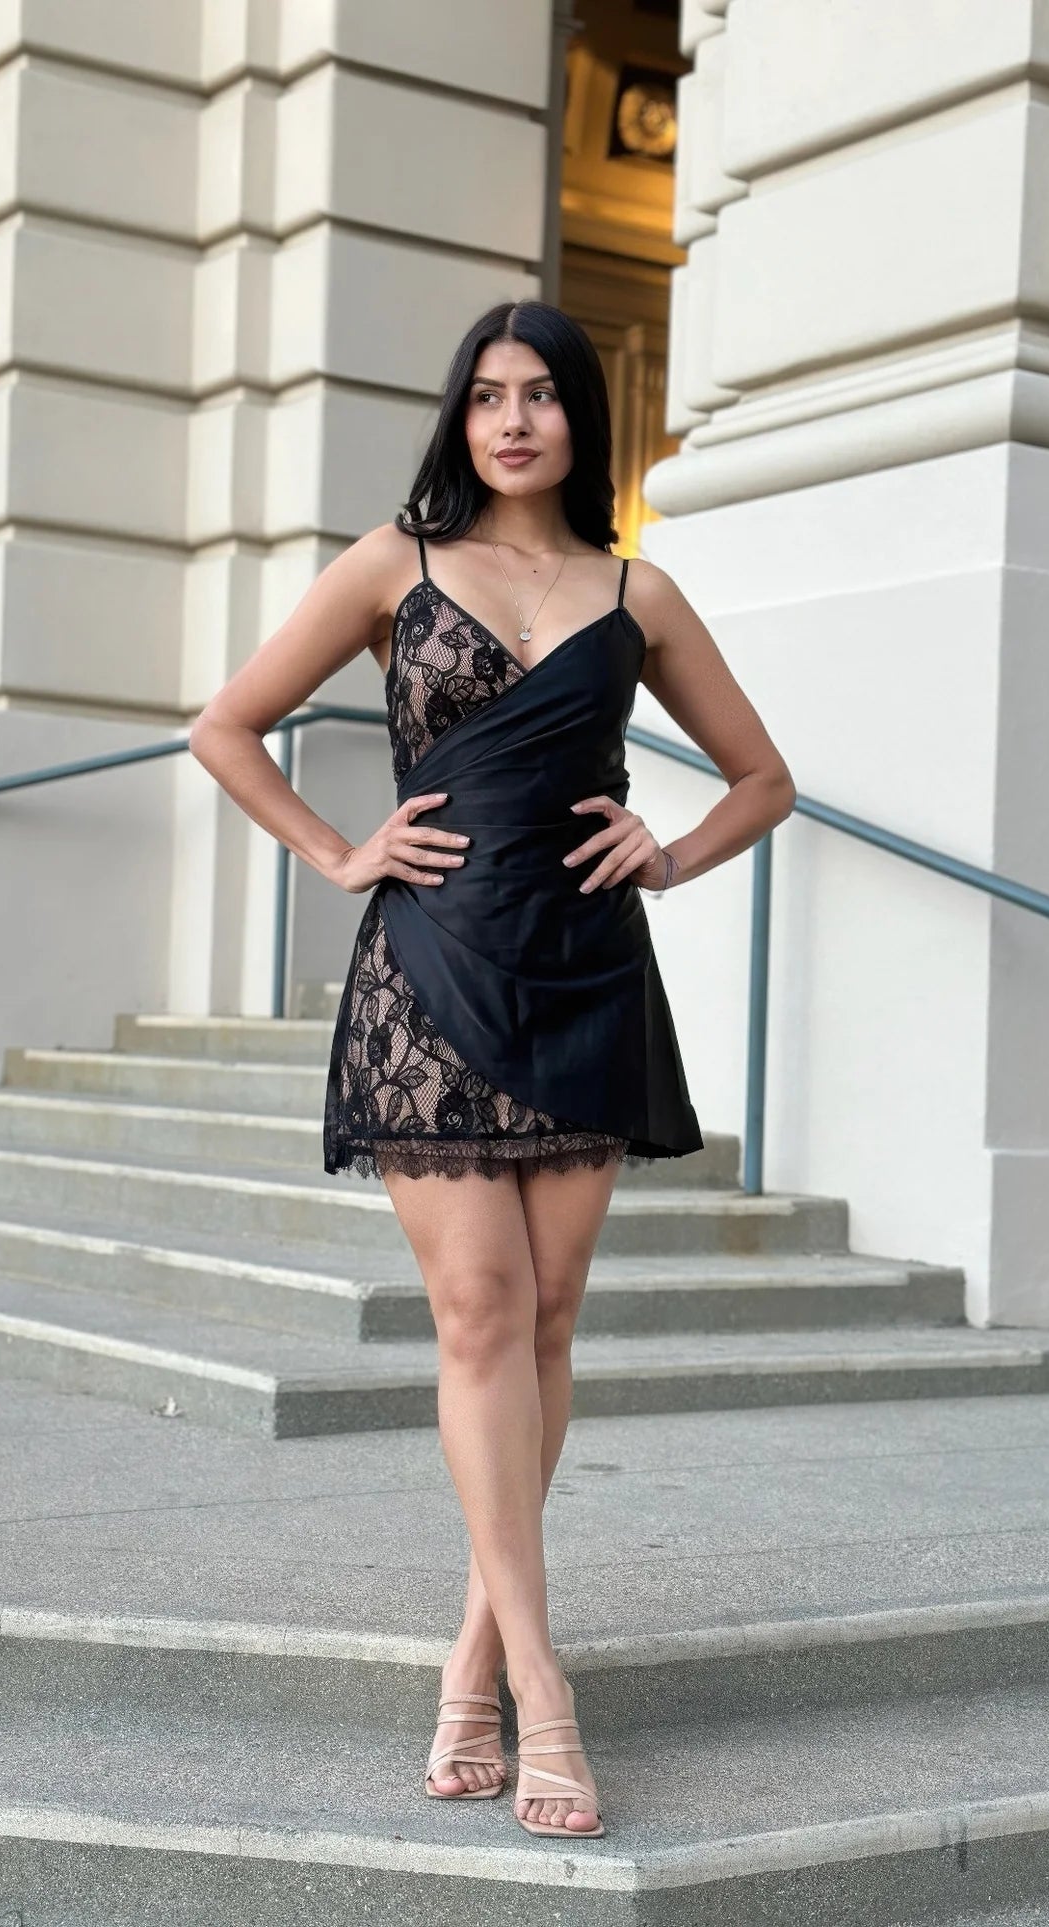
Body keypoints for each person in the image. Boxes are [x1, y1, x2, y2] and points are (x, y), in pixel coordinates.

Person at [189, 299, 795, 1839]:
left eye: (539, 395)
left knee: (550, 1320)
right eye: (485, 396)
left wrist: (667, 855)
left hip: (586, 969)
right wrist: (339, 851)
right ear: (458, 419)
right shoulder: (392, 565)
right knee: (479, 1314)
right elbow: (228, 727)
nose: (511, 419)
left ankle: (471, 1656)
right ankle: (545, 1694)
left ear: (582, 420)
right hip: (433, 973)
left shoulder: (633, 589)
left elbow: (762, 777)